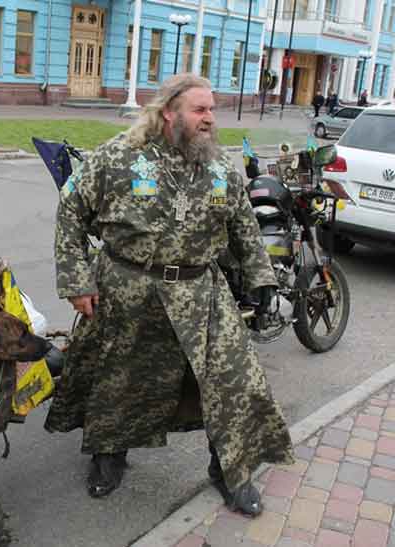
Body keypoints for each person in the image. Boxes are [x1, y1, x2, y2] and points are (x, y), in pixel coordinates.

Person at [44, 73, 293, 517]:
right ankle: (109, 454)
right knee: (120, 379)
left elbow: (242, 225)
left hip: (203, 294)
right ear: (168, 114)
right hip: (130, 292)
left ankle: (231, 470)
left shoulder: (218, 167)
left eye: (212, 111)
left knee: (234, 382)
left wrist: (261, 277)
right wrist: (77, 281)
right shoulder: (118, 158)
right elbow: (71, 211)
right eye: (200, 110)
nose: (209, 120)